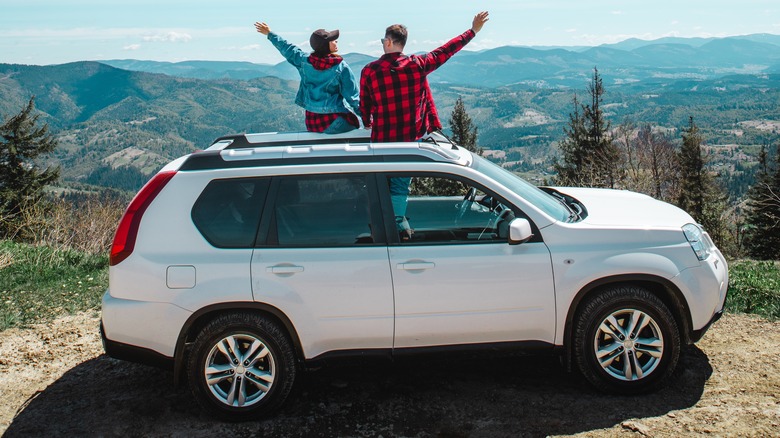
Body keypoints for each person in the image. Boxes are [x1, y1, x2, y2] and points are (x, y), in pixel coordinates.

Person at [359, 11, 489, 142]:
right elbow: (446, 50)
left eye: (383, 41)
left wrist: (366, 123)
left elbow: (365, 103)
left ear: (388, 42)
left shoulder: (370, 70)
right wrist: (472, 31)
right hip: (412, 139)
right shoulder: (418, 65)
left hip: (382, 140)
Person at [254, 22, 361, 134]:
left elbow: (288, 49)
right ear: (326, 45)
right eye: (333, 40)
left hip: (312, 123)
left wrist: (270, 33)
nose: (336, 42)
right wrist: (368, 121)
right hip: (334, 122)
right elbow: (353, 98)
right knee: (355, 123)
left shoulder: (304, 61)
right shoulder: (341, 67)